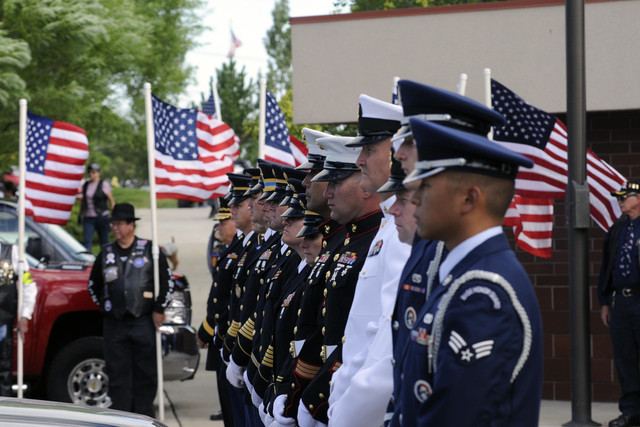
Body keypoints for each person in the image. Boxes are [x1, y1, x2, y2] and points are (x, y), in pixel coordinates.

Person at [390, 118, 543, 426]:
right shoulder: (463, 276)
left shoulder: (483, 293)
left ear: (469, 198)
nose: (414, 198)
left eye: (427, 185)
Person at [327, 94, 411, 427]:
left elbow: (386, 346)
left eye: (370, 150)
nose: (359, 159)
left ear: (396, 154)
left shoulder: (402, 233)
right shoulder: (389, 224)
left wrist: (346, 413)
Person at [87, 203, 173, 417]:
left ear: (130, 225)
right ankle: (122, 419)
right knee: (118, 377)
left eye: (119, 224)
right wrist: (107, 306)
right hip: (115, 325)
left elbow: (167, 281)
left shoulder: (150, 250)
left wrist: (159, 307)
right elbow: (93, 286)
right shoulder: (105, 253)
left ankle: (144, 417)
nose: (114, 228)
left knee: (146, 375)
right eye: (113, 224)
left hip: (143, 322)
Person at [598, 181, 640, 427]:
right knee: (625, 359)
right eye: (619, 197)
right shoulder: (617, 229)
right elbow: (606, 267)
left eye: (625, 196)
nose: (620, 200)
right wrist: (604, 302)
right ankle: (631, 412)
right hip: (621, 303)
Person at [0, 242, 37, 396]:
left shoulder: (11, 252)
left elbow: (28, 284)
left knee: (3, 370)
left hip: (3, 322)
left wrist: (25, 315)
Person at [80, 163, 115, 251]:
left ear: (98, 173)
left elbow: (111, 200)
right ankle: (88, 261)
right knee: (87, 241)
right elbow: (83, 201)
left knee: (104, 241)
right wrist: (80, 214)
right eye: (90, 172)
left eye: (93, 172)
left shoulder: (103, 184)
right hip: (88, 216)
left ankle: (105, 259)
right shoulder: (86, 185)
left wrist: (113, 215)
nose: (91, 174)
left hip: (102, 216)